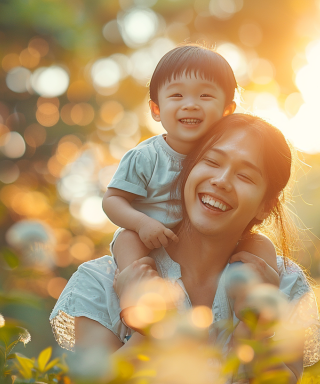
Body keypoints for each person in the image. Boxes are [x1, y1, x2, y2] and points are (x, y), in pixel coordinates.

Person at [50, 114, 320, 383]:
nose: (221, 180)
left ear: (266, 205)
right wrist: (148, 328)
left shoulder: (284, 286)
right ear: (186, 169)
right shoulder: (100, 283)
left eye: (245, 176)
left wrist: (254, 332)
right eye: (212, 161)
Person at [102, 44, 279, 296]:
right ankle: (136, 302)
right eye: (176, 96)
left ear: (227, 111)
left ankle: (255, 307)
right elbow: (112, 199)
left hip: (205, 245)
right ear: (156, 109)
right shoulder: (145, 156)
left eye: (205, 96)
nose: (191, 105)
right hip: (146, 238)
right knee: (128, 242)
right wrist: (142, 224)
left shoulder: (225, 155)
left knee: (261, 244)